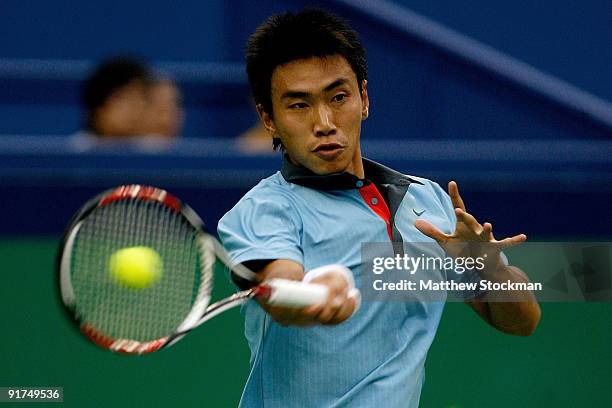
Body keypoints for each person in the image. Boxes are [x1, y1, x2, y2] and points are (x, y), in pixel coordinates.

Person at [218, 9, 541, 407]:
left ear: (364, 99)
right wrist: (313, 297)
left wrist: (487, 265)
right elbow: (281, 290)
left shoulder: (428, 201)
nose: (324, 122)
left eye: (338, 97)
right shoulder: (264, 210)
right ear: (269, 118)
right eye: (299, 105)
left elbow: (522, 321)